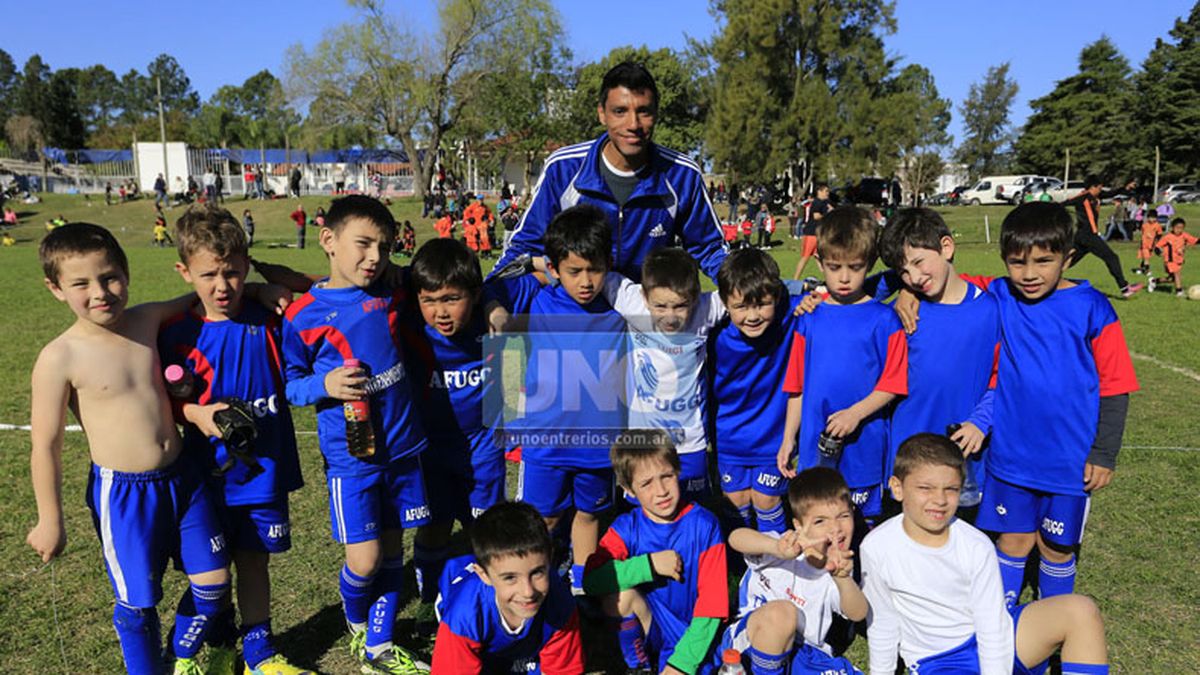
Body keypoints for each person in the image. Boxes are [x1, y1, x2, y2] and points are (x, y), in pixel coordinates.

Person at [28, 223, 232, 674]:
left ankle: (178, 655)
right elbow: (45, 444)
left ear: (126, 272)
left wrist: (261, 287)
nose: (100, 292)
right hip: (123, 495)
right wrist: (49, 519)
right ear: (55, 288)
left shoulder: (147, 319)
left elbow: (205, 295)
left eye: (109, 277)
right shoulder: (59, 357)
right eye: (81, 283)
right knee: (139, 602)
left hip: (183, 478)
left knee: (215, 584)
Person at [281, 195, 431, 674]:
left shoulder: (393, 290)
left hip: (403, 449)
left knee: (393, 551)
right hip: (353, 459)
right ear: (328, 240)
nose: (374, 258)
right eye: (362, 244)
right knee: (364, 560)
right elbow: (289, 384)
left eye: (384, 248)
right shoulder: (302, 315)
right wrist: (323, 385)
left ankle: (379, 645)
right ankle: (356, 622)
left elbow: (437, 277)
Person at [158, 205, 309, 675]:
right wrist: (192, 411)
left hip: (264, 473)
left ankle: (260, 654)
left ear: (246, 267)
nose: (222, 286)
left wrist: (271, 287)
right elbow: (162, 404)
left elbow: (323, 293)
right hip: (206, 478)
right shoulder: (176, 334)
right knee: (213, 573)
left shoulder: (270, 320)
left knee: (255, 563)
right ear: (185, 271)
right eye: (209, 275)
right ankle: (207, 650)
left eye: (233, 273)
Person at [962, 202, 1138, 606]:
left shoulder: (1094, 308)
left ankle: (1053, 625)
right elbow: (941, 281)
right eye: (1016, 262)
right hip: (1010, 456)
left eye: (1044, 261)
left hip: (1069, 461)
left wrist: (1104, 453)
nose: (1028, 274)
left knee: (1057, 547)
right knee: (1014, 539)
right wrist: (902, 292)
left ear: (1068, 257)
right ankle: (1002, 631)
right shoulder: (1001, 293)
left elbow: (1116, 386)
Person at [862, 433, 1111, 674]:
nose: (939, 499)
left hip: (996, 640)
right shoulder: (876, 547)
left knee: (1080, 610)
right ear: (897, 487)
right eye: (925, 488)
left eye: (950, 489)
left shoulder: (976, 544)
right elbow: (882, 623)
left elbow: (992, 623)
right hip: (940, 662)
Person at [492, 61, 726, 283]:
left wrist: (747, 293)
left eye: (644, 111)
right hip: (578, 315)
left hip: (646, 316)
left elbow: (711, 251)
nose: (633, 124)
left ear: (656, 114)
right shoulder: (564, 169)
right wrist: (489, 296)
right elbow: (524, 248)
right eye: (620, 111)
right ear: (602, 113)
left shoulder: (682, 175)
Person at [507, 205, 628, 597]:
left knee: (589, 515)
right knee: (544, 521)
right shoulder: (536, 297)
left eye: (595, 269)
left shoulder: (622, 302)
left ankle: (583, 588)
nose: (587, 281)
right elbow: (491, 284)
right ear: (555, 268)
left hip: (599, 445)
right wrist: (532, 266)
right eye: (574, 271)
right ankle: (535, 589)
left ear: (609, 262)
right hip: (546, 442)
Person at [400, 239, 514, 603]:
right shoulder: (408, 326)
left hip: (483, 447)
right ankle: (427, 597)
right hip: (430, 448)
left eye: (451, 299)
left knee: (485, 529)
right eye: (430, 300)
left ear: (476, 294)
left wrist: (496, 304)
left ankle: (483, 598)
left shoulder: (494, 326)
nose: (441, 312)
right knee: (433, 528)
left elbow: (527, 272)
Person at [778, 206, 908, 524]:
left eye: (856, 267)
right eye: (835, 267)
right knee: (819, 517)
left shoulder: (885, 320)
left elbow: (893, 383)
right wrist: (787, 440)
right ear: (820, 263)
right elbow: (796, 387)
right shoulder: (808, 319)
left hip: (864, 442)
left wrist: (855, 414)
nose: (845, 277)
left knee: (863, 524)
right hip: (814, 443)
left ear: (870, 264)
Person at [877, 208, 1000, 511]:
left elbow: (1007, 379)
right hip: (906, 462)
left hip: (965, 463)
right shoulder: (900, 314)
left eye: (918, 262)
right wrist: (900, 288)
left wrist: (981, 421)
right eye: (903, 271)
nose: (914, 277)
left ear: (947, 247)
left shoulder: (993, 310)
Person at [584, 433, 728, 674]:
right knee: (619, 596)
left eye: (667, 476)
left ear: (678, 471)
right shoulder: (625, 528)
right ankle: (639, 666)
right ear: (628, 489)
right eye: (646, 483)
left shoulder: (705, 525)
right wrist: (649, 565)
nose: (661, 491)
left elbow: (712, 605)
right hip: (651, 623)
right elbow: (592, 581)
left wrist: (681, 665)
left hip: (694, 636)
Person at [600, 248, 728, 502]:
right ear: (644, 297)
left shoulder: (706, 309)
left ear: (695, 297)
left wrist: (799, 292)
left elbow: (747, 292)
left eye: (681, 306)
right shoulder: (631, 301)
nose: (670, 316)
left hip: (690, 442)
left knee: (692, 510)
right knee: (645, 511)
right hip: (644, 442)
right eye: (660, 306)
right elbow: (592, 273)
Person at [722, 468, 866, 674]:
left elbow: (858, 612)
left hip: (804, 652)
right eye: (820, 521)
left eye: (843, 516)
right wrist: (775, 548)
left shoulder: (838, 569)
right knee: (782, 613)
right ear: (799, 526)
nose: (836, 528)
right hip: (753, 639)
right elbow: (736, 538)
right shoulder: (782, 546)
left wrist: (843, 580)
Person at [709, 248, 804, 534]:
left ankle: (773, 569)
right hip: (729, 438)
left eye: (762, 304)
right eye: (741, 307)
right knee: (736, 501)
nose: (752, 316)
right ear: (725, 303)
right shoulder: (713, 334)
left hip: (773, 438)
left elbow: (848, 294)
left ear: (776, 298)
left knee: (766, 498)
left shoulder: (791, 317)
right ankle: (740, 568)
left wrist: (907, 295)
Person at [431, 503, 584, 673]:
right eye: (510, 578)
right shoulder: (464, 616)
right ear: (484, 576)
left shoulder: (560, 602)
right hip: (472, 635)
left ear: (550, 558)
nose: (528, 592)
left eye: (537, 572)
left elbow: (563, 670)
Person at [1064, 178, 1142, 297]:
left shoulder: (1096, 197)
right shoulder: (1082, 197)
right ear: (1093, 187)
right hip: (1088, 236)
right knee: (1112, 258)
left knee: (1068, 261)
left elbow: (1112, 193)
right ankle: (1125, 288)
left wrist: (1125, 188)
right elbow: (1065, 203)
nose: (1101, 191)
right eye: (1099, 188)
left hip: (1083, 237)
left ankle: (1047, 279)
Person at [1148, 216, 1198, 296]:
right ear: (1172, 227)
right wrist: (1159, 253)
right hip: (1169, 261)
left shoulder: (1184, 235)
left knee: (1171, 279)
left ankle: (1154, 281)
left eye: (1181, 228)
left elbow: (1195, 241)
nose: (1179, 230)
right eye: (1177, 228)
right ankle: (1179, 291)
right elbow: (1157, 246)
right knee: (1177, 274)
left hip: (1179, 261)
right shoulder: (1167, 237)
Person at [794, 185, 830, 279]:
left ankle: (828, 278)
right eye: (826, 191)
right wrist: (828, 214)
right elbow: (816, 216)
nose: (827, 193)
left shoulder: (824, 202)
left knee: (820, 257)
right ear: (819, 191)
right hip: (811, 233)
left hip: (819, 234)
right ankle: (795, 279)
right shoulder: (817, 202)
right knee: (805, 257)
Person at [1133, 204, 1164, 276]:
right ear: (1147, 218)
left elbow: (1159, 235)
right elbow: (1143, 234)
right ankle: (1146, 270)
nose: (1152, 219)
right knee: (1145, 258)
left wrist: (1157, 244)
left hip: (1151, 245)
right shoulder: (1144, 225)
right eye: (1150, 218)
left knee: (1145, 258)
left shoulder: (1157, 225)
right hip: (1144, 245)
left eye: (1154, 218)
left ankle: (1143, 269)